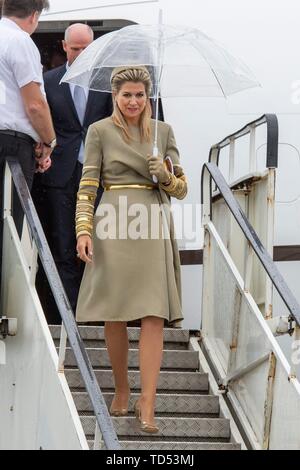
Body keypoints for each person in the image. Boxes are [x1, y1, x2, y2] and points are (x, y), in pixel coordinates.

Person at [76, 66, 187, 433]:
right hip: (113, 220)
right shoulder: (99, 131)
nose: (134, 101)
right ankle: (122, 390)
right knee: (116, 312)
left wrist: (166, 174)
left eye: (140, 94)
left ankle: (148, 402)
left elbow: (183, 189)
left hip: (152, 222)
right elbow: (88, 184)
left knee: (153, 314)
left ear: (148, 95)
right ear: (115, 96)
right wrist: (83, 230)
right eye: (127, 95)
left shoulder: (164, 133)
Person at [32, 23, 112, 324]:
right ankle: (71, 315)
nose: (81, 54)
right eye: (75, 48)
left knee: (98, 245)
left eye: (86, 48)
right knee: (64, 243)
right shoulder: (48, 81)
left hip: (99, 175)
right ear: (64, 47)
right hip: (60, 175)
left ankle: (96, 314)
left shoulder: (107, 81)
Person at [0, 0, 55, 287]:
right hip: (9, 145)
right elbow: (35, 105)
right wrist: (48, 140)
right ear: (34, 16)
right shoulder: (20, 42)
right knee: (9, 228)